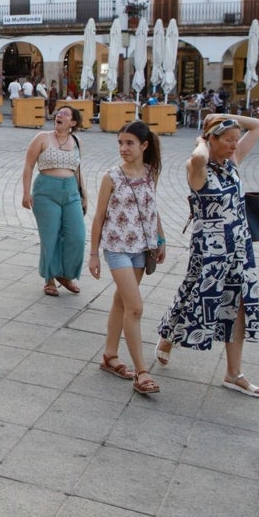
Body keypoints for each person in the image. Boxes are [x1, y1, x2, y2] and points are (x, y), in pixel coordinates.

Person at [157, 114, 259, 396]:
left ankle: (233, 373)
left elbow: (258, 126)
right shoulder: (197, 167)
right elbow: (198, 157)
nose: (234, 145)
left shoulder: (233, 161)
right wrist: (202, 139)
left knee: (238, 304)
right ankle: (168, 338)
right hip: (209, 249)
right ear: (211, 140)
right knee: (194, 295)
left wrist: (225, 118)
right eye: (228, 140)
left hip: (240, 246)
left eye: (235, 140)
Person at [88, 121, 166, 395]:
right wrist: (94, 254)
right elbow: (98, 217)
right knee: (135, 308)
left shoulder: (150, 172)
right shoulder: (112, 176)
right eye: (120, 142)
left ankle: (110, 356)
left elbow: (152, 208)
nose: (123, 148)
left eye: (129, 143)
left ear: (144, 145)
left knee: (121, 301)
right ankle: (142, 373)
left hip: (142, 249)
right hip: (116, 248)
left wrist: (161, 239)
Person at [21, 105, 87, 297]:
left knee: (77, 236)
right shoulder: (42, 138)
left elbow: (78, 170)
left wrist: (84, 196)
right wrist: (26, 193)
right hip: (46, 191)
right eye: (59, 112)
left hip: (71, 192)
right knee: (50, 237)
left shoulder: (77, 141)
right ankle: (50, 278)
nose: (60, 115)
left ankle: (65, 275)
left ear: (73, 122)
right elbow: (28, 166)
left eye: (65, 114)